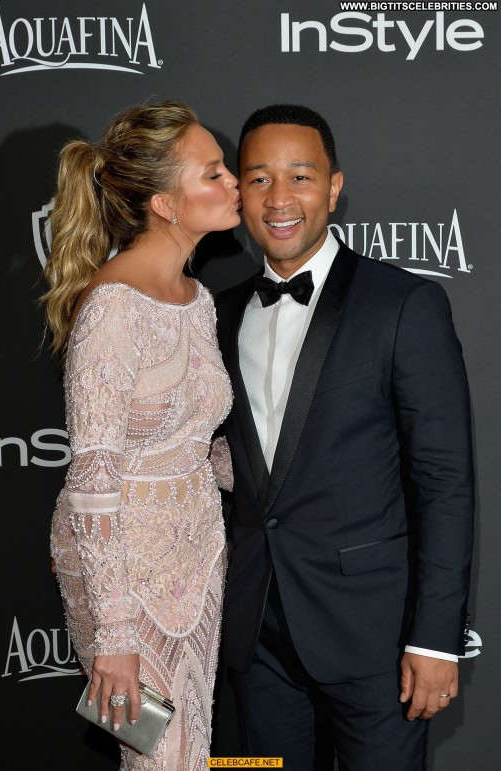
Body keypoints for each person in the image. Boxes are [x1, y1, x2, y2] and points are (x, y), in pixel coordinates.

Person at [215, 104, 474, 770]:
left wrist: (435, 639)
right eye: (259, 178)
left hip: (376, 640)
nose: (279, 199)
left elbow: (444, 482)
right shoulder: (217, 313)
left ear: (333, 187)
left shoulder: (403, 304)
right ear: (239, 192)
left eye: (300, 177)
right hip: (255, 636)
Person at [43, 101, 240, 770]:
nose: (233, 181)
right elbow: (94, 478)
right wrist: (115, 636)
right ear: (164, 203)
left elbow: (190, 439)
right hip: (122, 575)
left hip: (198, 559)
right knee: (161, 759)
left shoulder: (197, 299)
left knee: (191, 753)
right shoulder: (113, 306)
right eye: (213, 173)